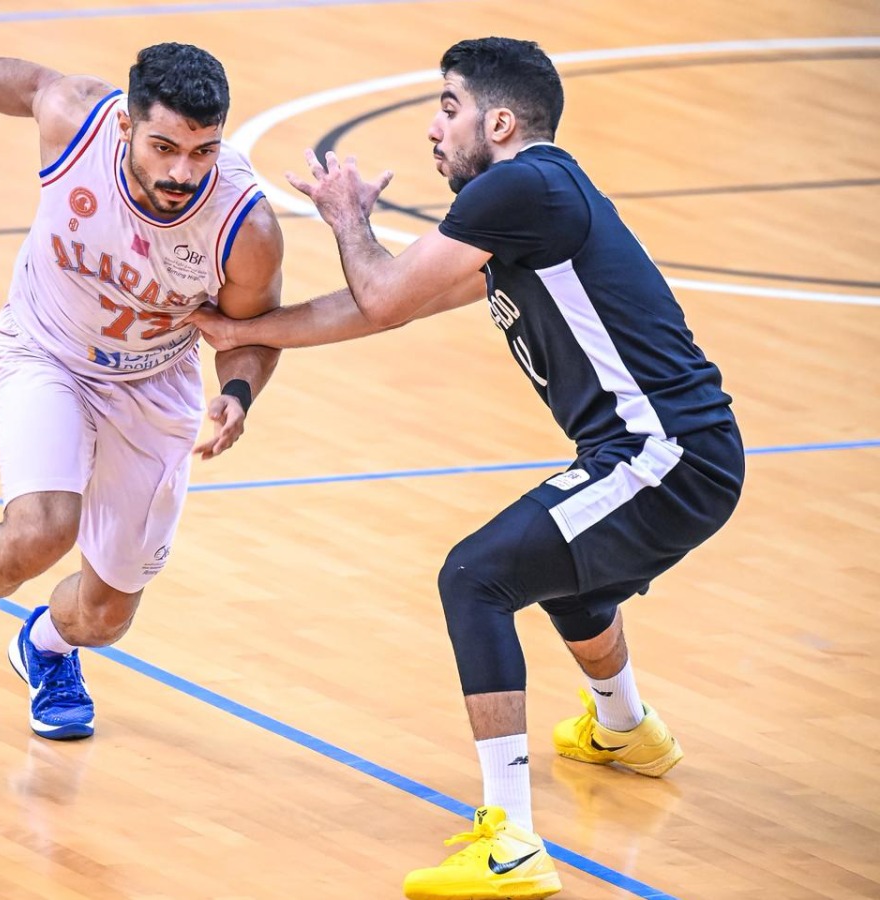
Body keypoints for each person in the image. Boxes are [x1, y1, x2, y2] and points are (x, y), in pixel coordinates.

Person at [187, 36, 743, 900]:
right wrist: (248, 333)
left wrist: (344, 217)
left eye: (448, 108)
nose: (433, 131)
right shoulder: (532, 207)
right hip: (675, 458)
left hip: (664, 456)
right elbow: (387, 307)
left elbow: (383, 291)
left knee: (474, 577)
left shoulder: (525, 184)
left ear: (502, 120)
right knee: (562, 575)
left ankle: (512, 843)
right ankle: (627, 729)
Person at [0, 42, 283, 756]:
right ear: (125, 126)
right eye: (165, 146)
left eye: (202, 152)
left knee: (105, 616)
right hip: (45, 351)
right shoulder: (79, 121)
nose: (182, 171)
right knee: (43, 528)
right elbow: (32, 85)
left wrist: (237, 391)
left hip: (153, 381)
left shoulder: (245, 227)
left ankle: (45, 648)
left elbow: (253, 331)